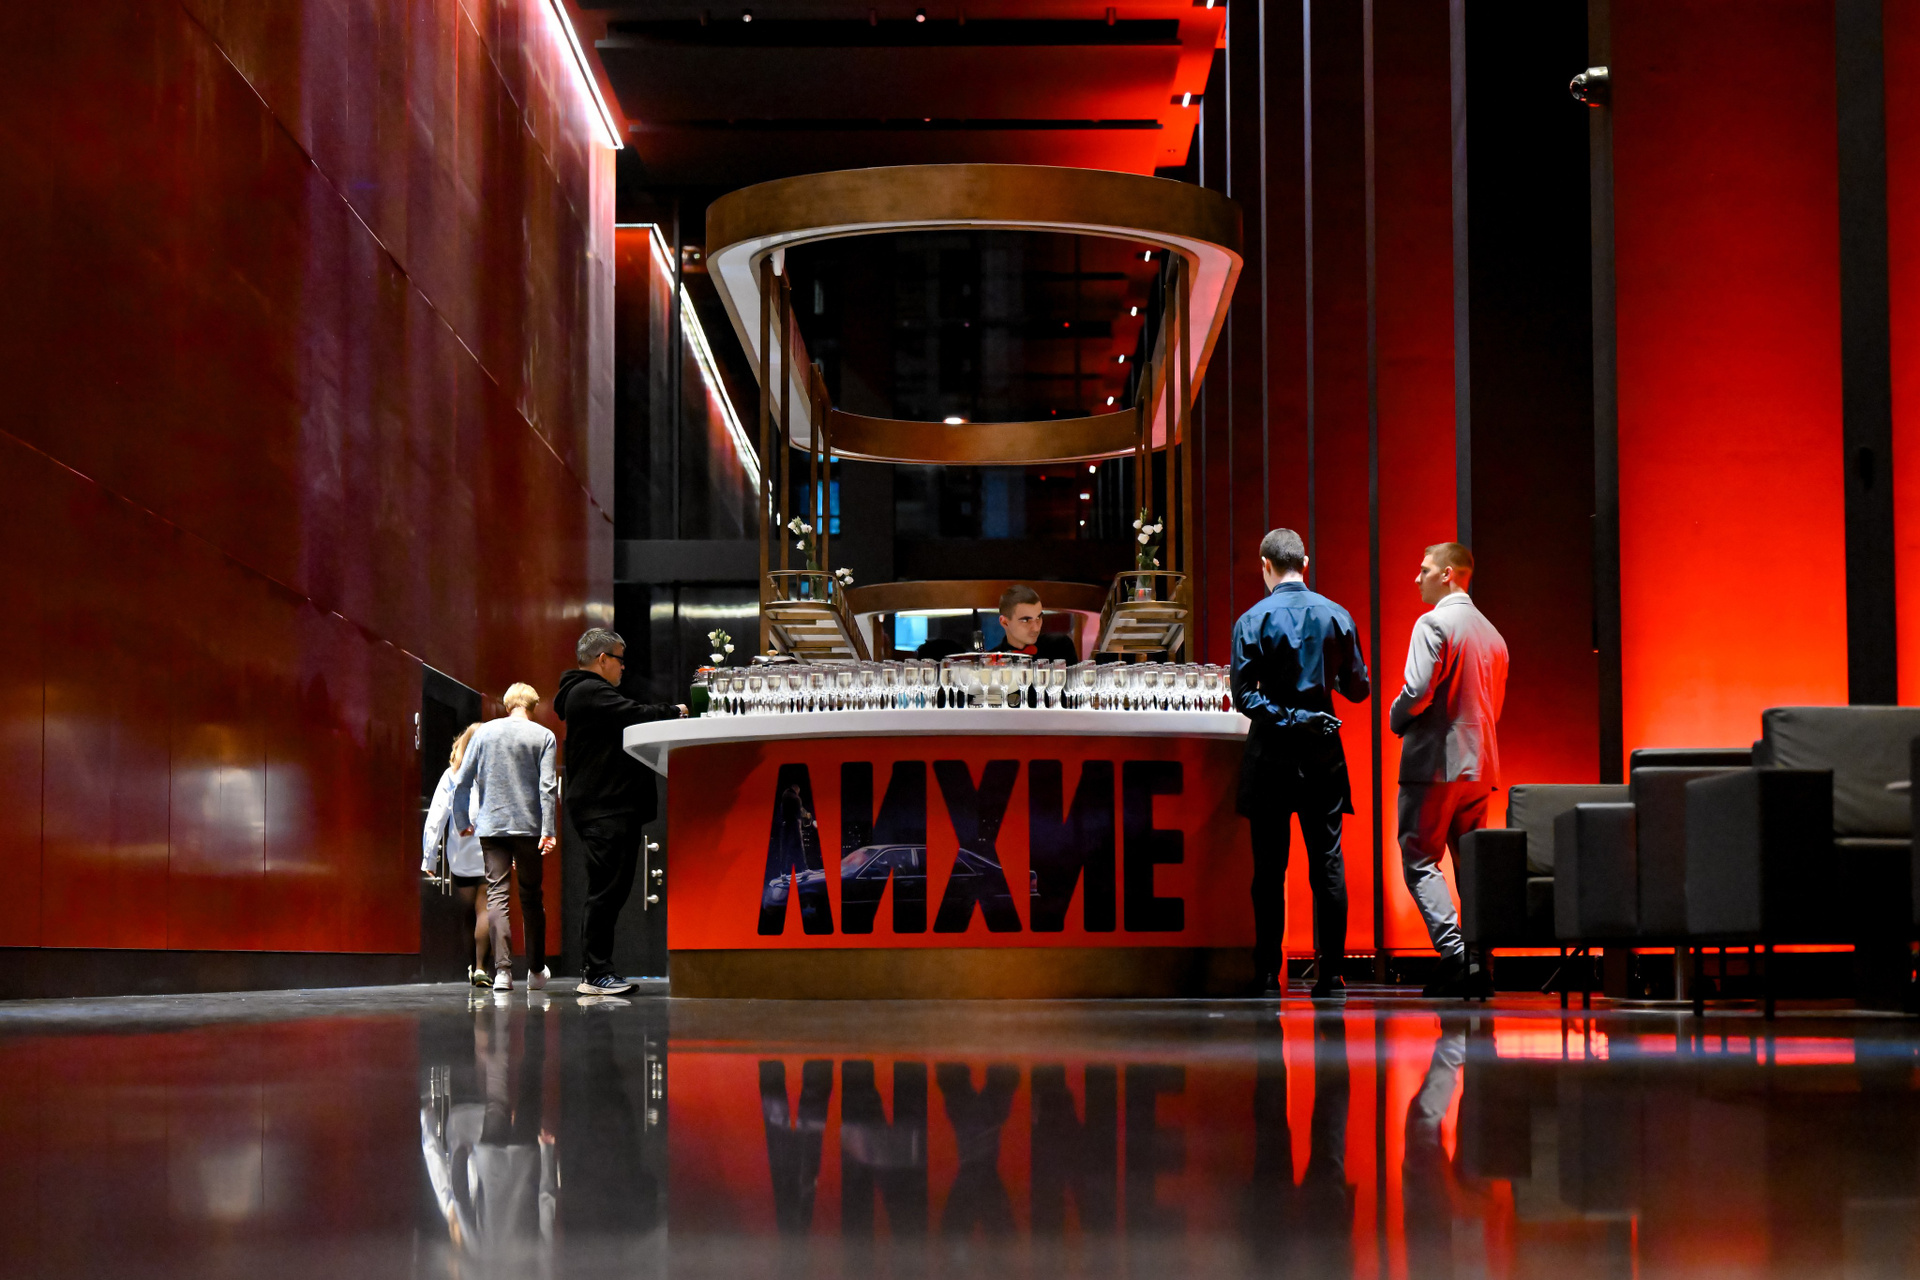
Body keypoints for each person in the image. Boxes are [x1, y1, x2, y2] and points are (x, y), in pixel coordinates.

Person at [1230, 528, 1371, 1000]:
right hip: (1322, 754)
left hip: (1270, 754)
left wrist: (1290, 715)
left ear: (1265, 566)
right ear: (1305, 564)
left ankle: (1268, 974)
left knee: (1269, 869)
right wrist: (1323, 688)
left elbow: (1244, 698)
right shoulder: (1338, 615)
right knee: (1327, 863)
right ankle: (1332, 975)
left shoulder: (1252, 620)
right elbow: (1359, 689)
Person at [1389, 541, 1508, 998]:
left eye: (1424, 570)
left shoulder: (1432, 623)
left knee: (1420, 858)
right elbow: (1494, 707)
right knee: (1470, 864)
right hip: (1480, 764)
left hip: (1434, 762)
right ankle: (1482, 963)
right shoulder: (1494, 636)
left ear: (1448, 575)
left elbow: (1418, 690)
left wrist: (1396, 717)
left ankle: (1455, 956)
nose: (1416, 578)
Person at [554, 628, 687, 997]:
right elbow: (636, 714)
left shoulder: (587, 693)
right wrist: (675, 711)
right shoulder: (589, 691)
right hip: (604, 808)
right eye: (619, 659)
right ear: (602, 659)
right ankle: (596, 973)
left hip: (606, 807)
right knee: (605, 892)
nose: (623, 667)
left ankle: (598, 971)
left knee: (610, 891)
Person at [451, 683, 558, 993]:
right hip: (529, 828)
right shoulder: (544, 736)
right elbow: (547, 787)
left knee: (497, 895)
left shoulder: (484, 733)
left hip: (492, 827)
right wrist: (548, 830)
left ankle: (502, 973)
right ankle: (536, 971)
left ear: (507, 704)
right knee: (531, 896)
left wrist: (462, 820)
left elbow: (462, 780)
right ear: (533, 707)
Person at [423, 722, 492, 987]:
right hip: (488, 850)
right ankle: (482, 967)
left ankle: (473, 967)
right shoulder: (493, 774)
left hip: (461, 855)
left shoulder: (451, 775)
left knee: (468, 914)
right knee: (484, 910)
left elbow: (436, 818)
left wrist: (429, 857)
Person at [991, 584, 1078, 662]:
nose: (1036, 628)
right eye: (1026, 620)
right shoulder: (991, 660)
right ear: (1005, 622)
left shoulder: (1060, 646)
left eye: (1038, 618)